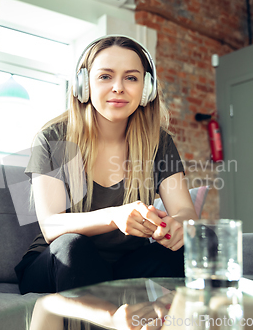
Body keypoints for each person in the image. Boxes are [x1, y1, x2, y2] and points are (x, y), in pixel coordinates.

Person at [15, 35, 198, 294]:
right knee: (74, 246)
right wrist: (114, 216)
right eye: (105, 76)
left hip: (122, 268)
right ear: (84, 85)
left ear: (147, 89)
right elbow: (51, 226)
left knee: (189, 248)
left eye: (131, 78)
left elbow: (185, 212)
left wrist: (178, 225)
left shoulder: (159, 142)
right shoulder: (53, 138)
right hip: (59, 263)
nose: (118, 88)